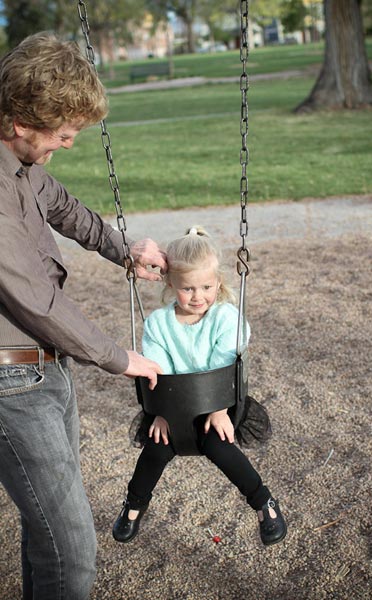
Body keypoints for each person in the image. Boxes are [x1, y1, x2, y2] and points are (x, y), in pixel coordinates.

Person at [0, 32, 167, 599]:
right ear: (22, 122)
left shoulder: (22, 166)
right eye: (64, 134)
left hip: (43, 371)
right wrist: (119, 357)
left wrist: (124, 248)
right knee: (71, 549)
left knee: (46, 534)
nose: (69, 144)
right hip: (10, 381)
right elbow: (34, 300)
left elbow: (63, 206)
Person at [112, 226, 286, 548]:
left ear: (217, 283)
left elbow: (224, 362)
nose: (198, 296)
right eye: (188, 289)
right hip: (170, 408)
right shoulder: (159, 325)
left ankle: (264, 503)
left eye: (206, 286)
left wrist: (219, 409)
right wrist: (161, 413)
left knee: (220, 447)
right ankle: (134, 503)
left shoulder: (225, 317)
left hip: (217, 405)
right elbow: (155, 368)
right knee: (155, 449)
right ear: (170, 284)